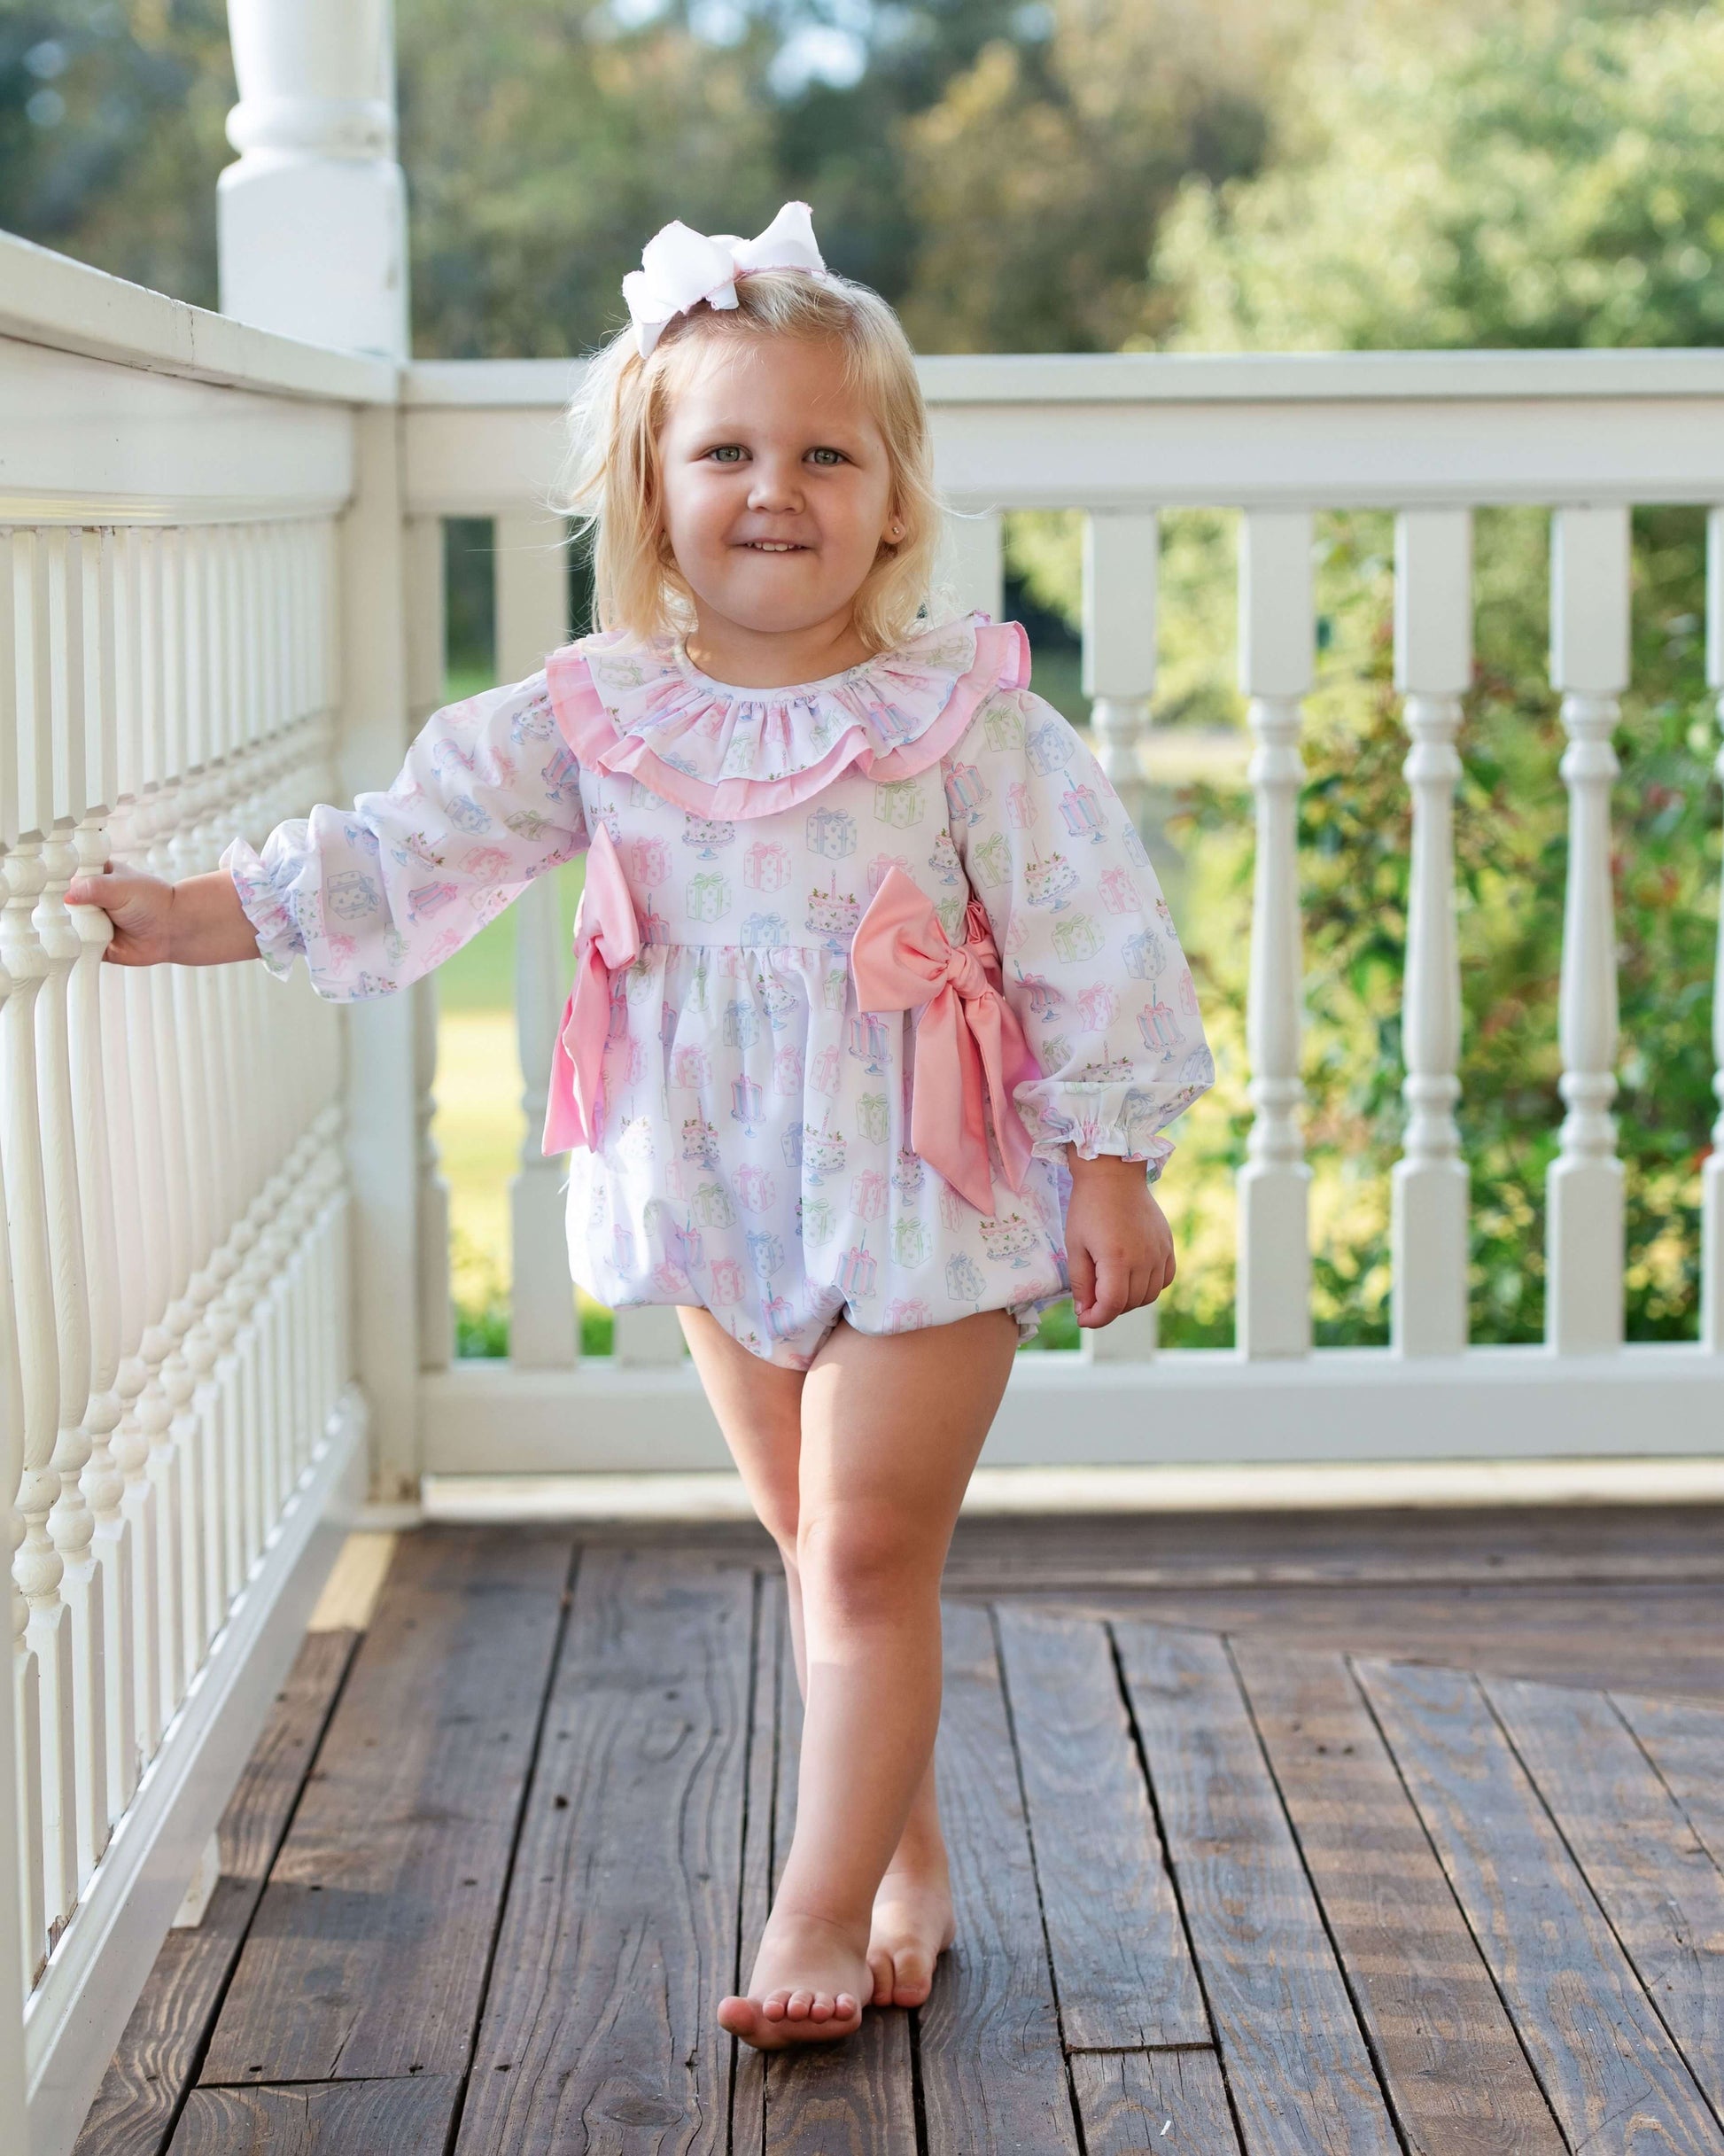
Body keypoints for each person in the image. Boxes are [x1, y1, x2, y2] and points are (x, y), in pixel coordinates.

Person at [67, 200, 1213, 2051]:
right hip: (711, 1191)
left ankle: (814, 1907)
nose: (778, 487)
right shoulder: (593, 718)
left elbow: (1094, 928)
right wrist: (203, 910)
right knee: (828, 1544)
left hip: (928, 1189)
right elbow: (405, 846)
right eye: (729, 450)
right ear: (649, 487)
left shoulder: (961, 718)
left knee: (857, 1553)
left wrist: (1113, 1156)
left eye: (826, 452)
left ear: (894, 496)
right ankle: (906, 1858)